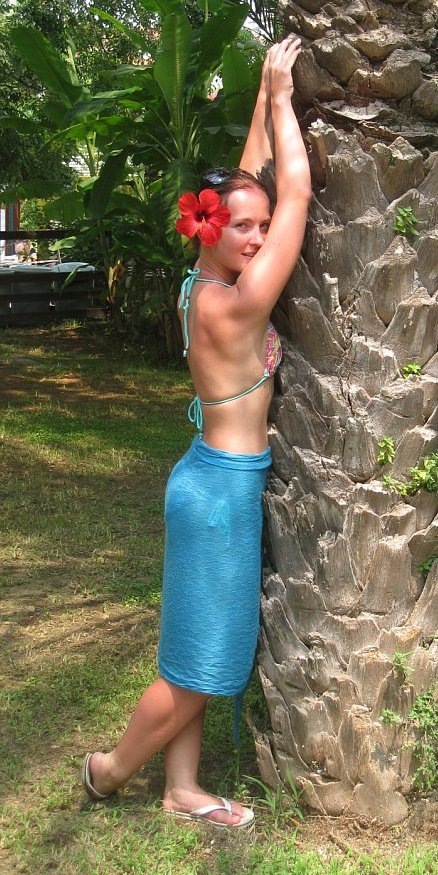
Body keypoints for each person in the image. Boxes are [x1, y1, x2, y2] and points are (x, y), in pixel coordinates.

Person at [82, 35, 311, 829]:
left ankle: (182, 788)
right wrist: (285, 101)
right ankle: (109, 770)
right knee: (196, 670)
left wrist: (262, 102)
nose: (258, 237)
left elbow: (249, 183)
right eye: (244, 227)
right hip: (219, 500)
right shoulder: (237, 305)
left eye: (261, 227)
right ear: (209, 229)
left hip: (207, 478)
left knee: (194, 649)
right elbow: (297, 196)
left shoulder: (199, 283)